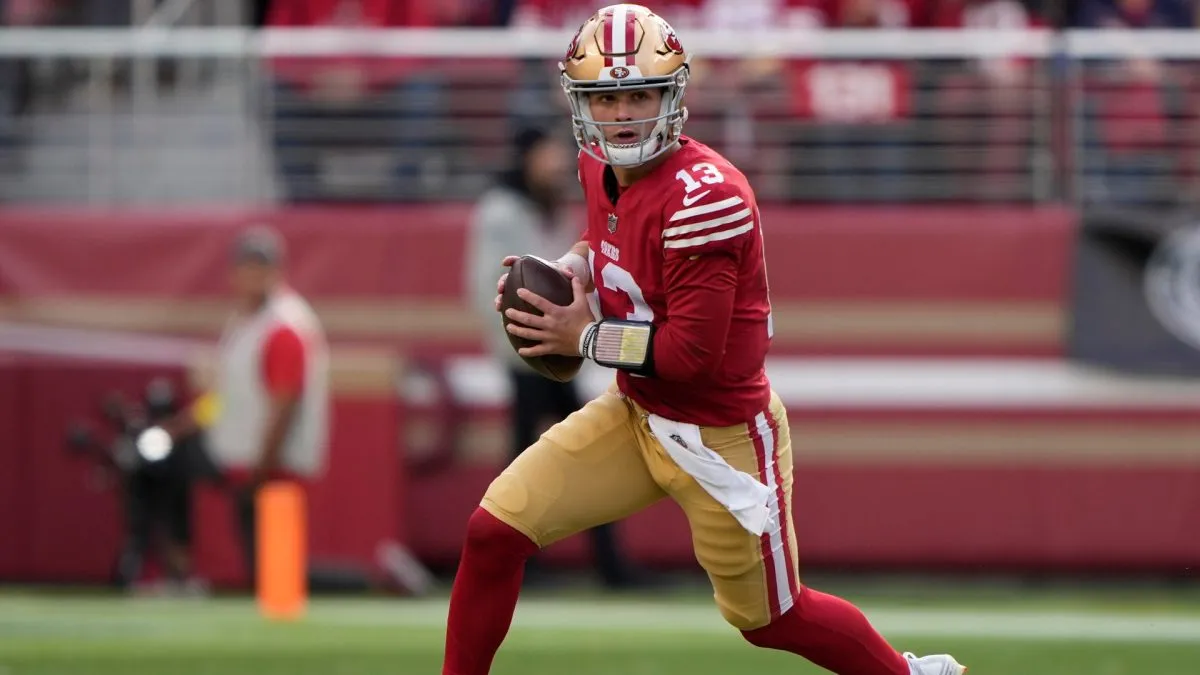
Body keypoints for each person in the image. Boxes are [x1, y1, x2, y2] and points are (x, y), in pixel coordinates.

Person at [441, 5, 964, 675]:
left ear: (673, 95)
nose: (624, 113)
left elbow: (691, 355)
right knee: (493, 533)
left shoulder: (706, 197)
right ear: (582, 105)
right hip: (636, 414)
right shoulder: (600, 166)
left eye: (640, 94)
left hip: (720, 436)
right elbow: (606, 239)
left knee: (773, 620)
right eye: (608, 98)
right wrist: (573, 269)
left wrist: (583, 333)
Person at [466, 125, 642, 590]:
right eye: (547, 155)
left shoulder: (550, 207)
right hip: (529, 354)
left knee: (558, 454)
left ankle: (591, 563)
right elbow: (491, 287)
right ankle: (541, 563)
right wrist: (524, 345)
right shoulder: (502, 211)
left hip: (556, 348)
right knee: (538, 458)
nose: (557, 164)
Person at [158, 225, 331, 589]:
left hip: (268, 461)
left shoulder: (283, 326)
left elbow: (284, 404)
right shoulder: (246, 321)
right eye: (246, 268)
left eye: (260, 268)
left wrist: (261, 466)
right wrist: (182, 426)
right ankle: (178, 569)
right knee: (162, 460)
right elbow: (227, 399)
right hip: (235, 450)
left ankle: (347, 584)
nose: (252, 277)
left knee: (273, 580)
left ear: (276, 272)